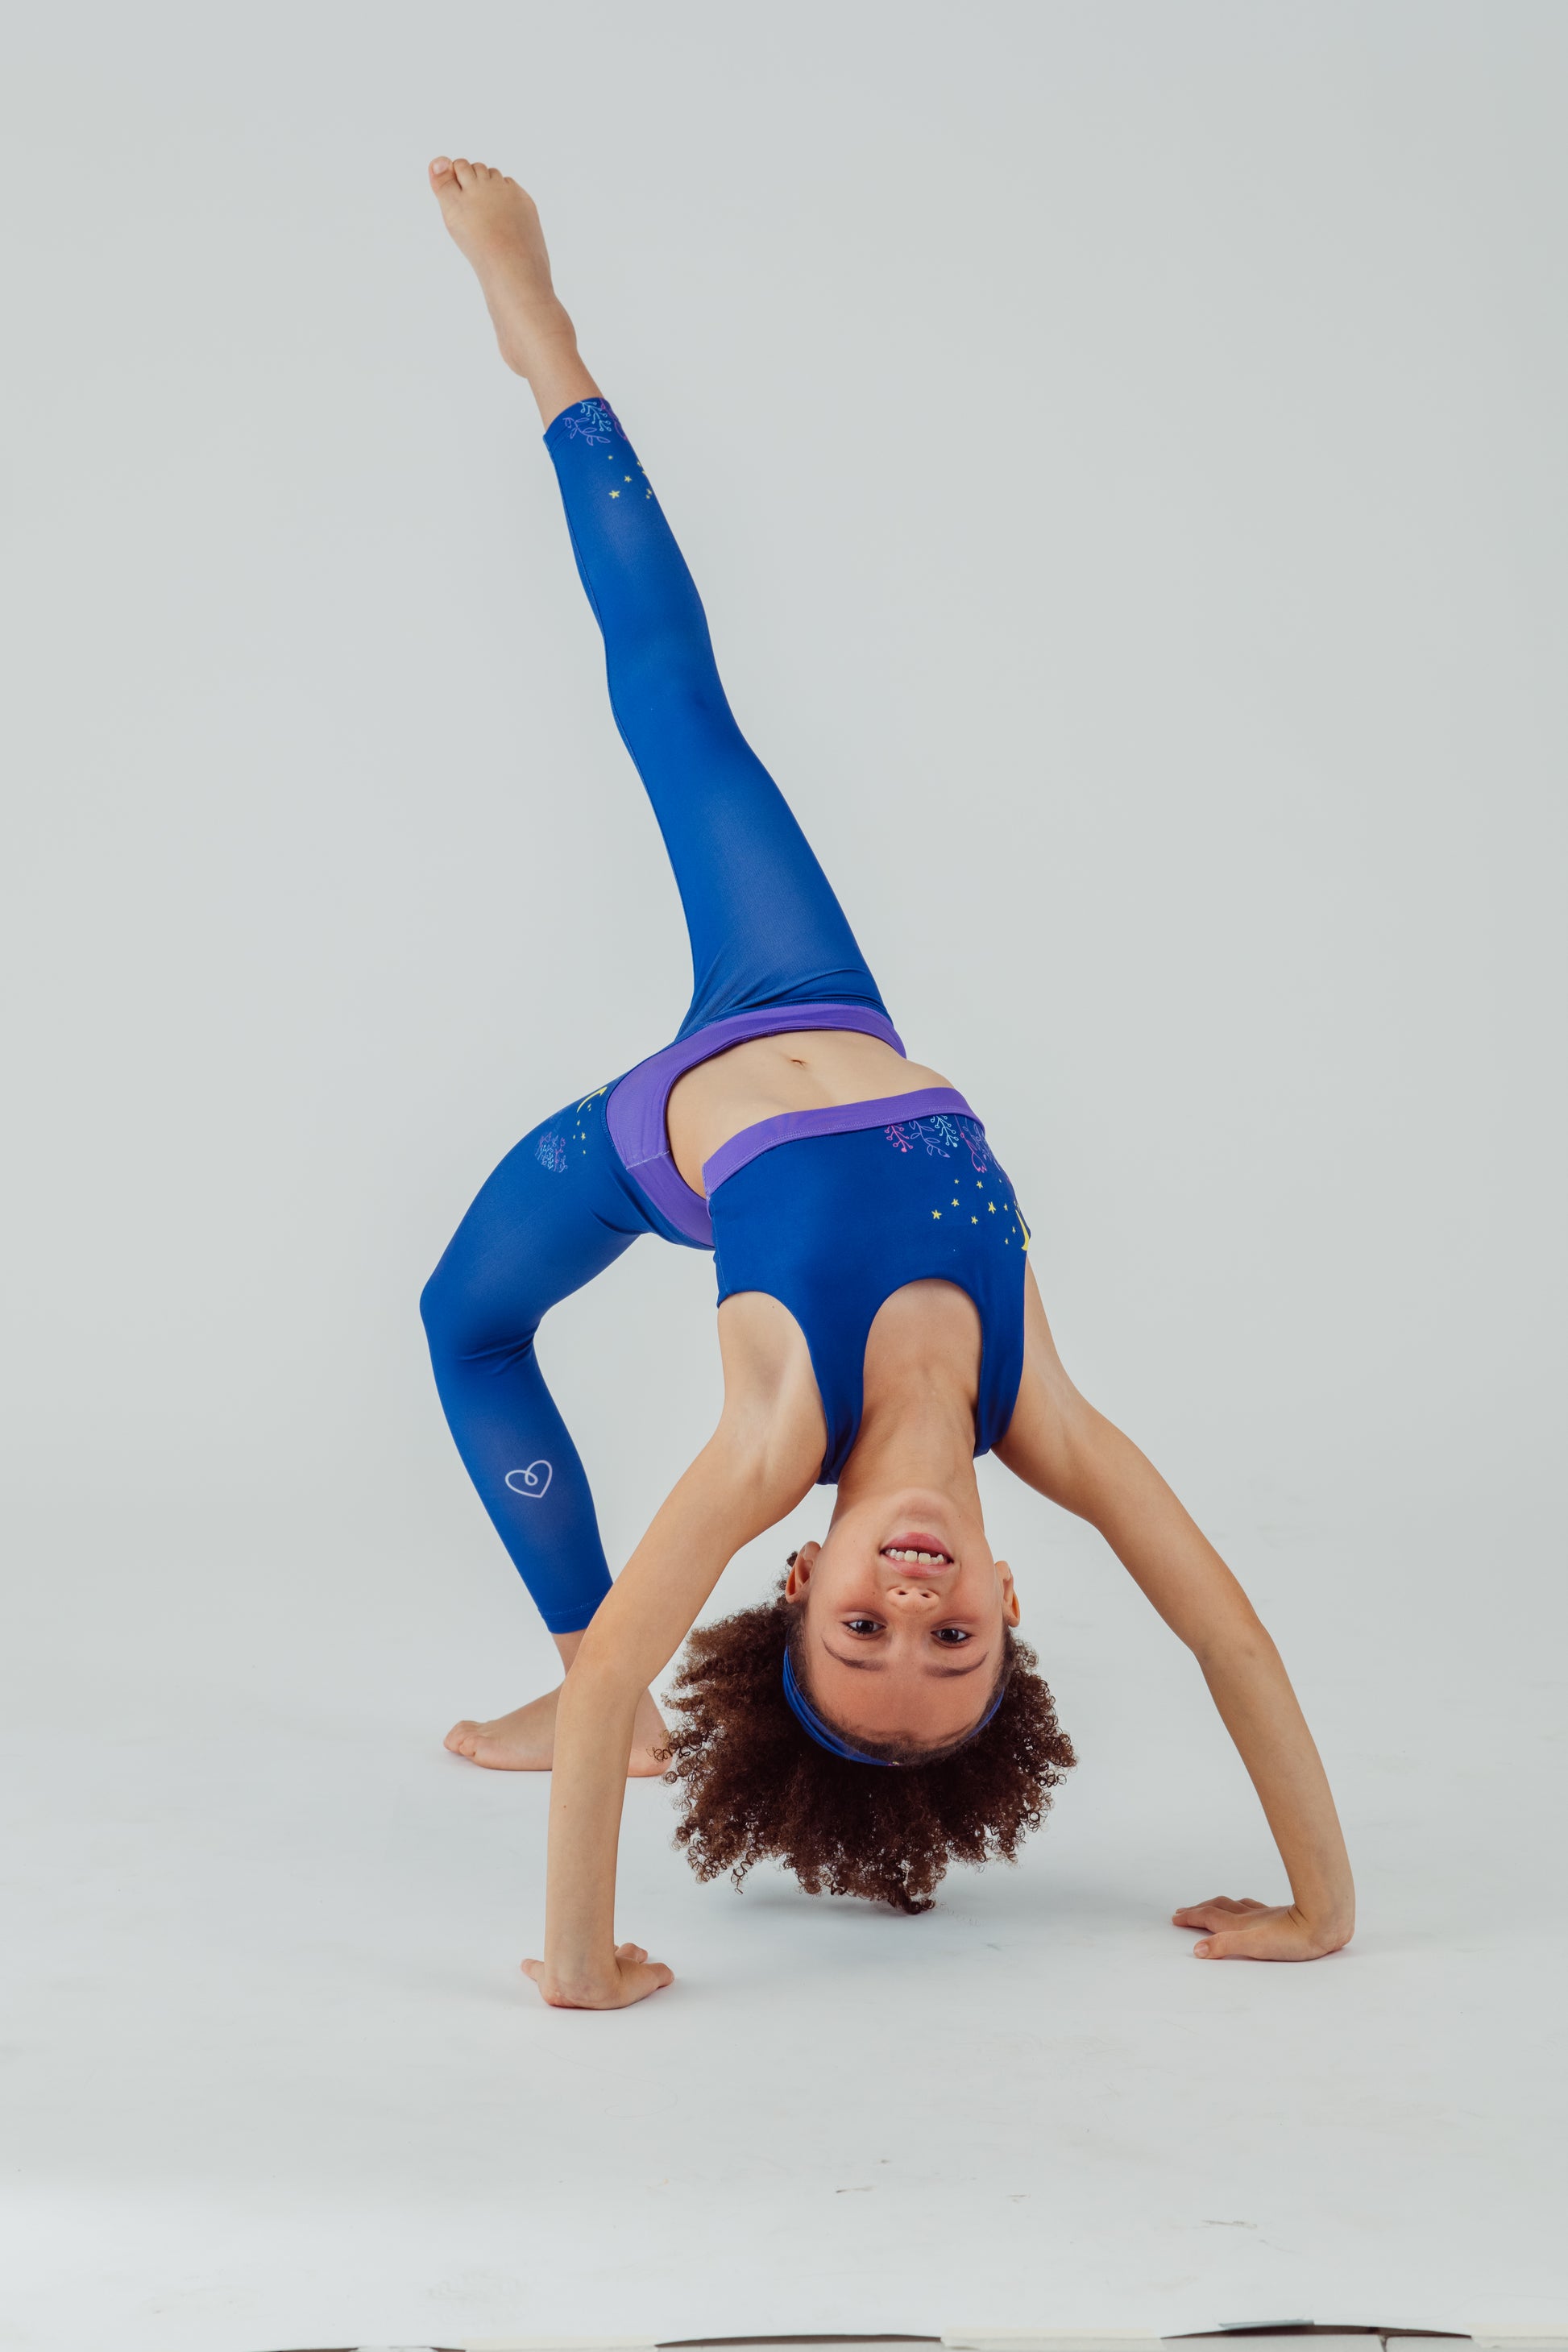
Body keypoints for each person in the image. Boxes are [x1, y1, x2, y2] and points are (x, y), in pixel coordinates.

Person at [419, 156, 1356, 2010]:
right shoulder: (1048, 1416)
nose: (909, 1595)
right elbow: (1229, 1633)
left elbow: (640, 1665)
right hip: (808, 987)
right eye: (947, 1635)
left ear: (799, 1575)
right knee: (677, 695)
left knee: (460, 1321)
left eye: (861, 1625)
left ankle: (542, 1641)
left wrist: (584, 1951)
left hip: (656, 1135)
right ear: (1012, 1613)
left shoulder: (778, 1438)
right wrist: (1320, 1908)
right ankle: (547, 342)